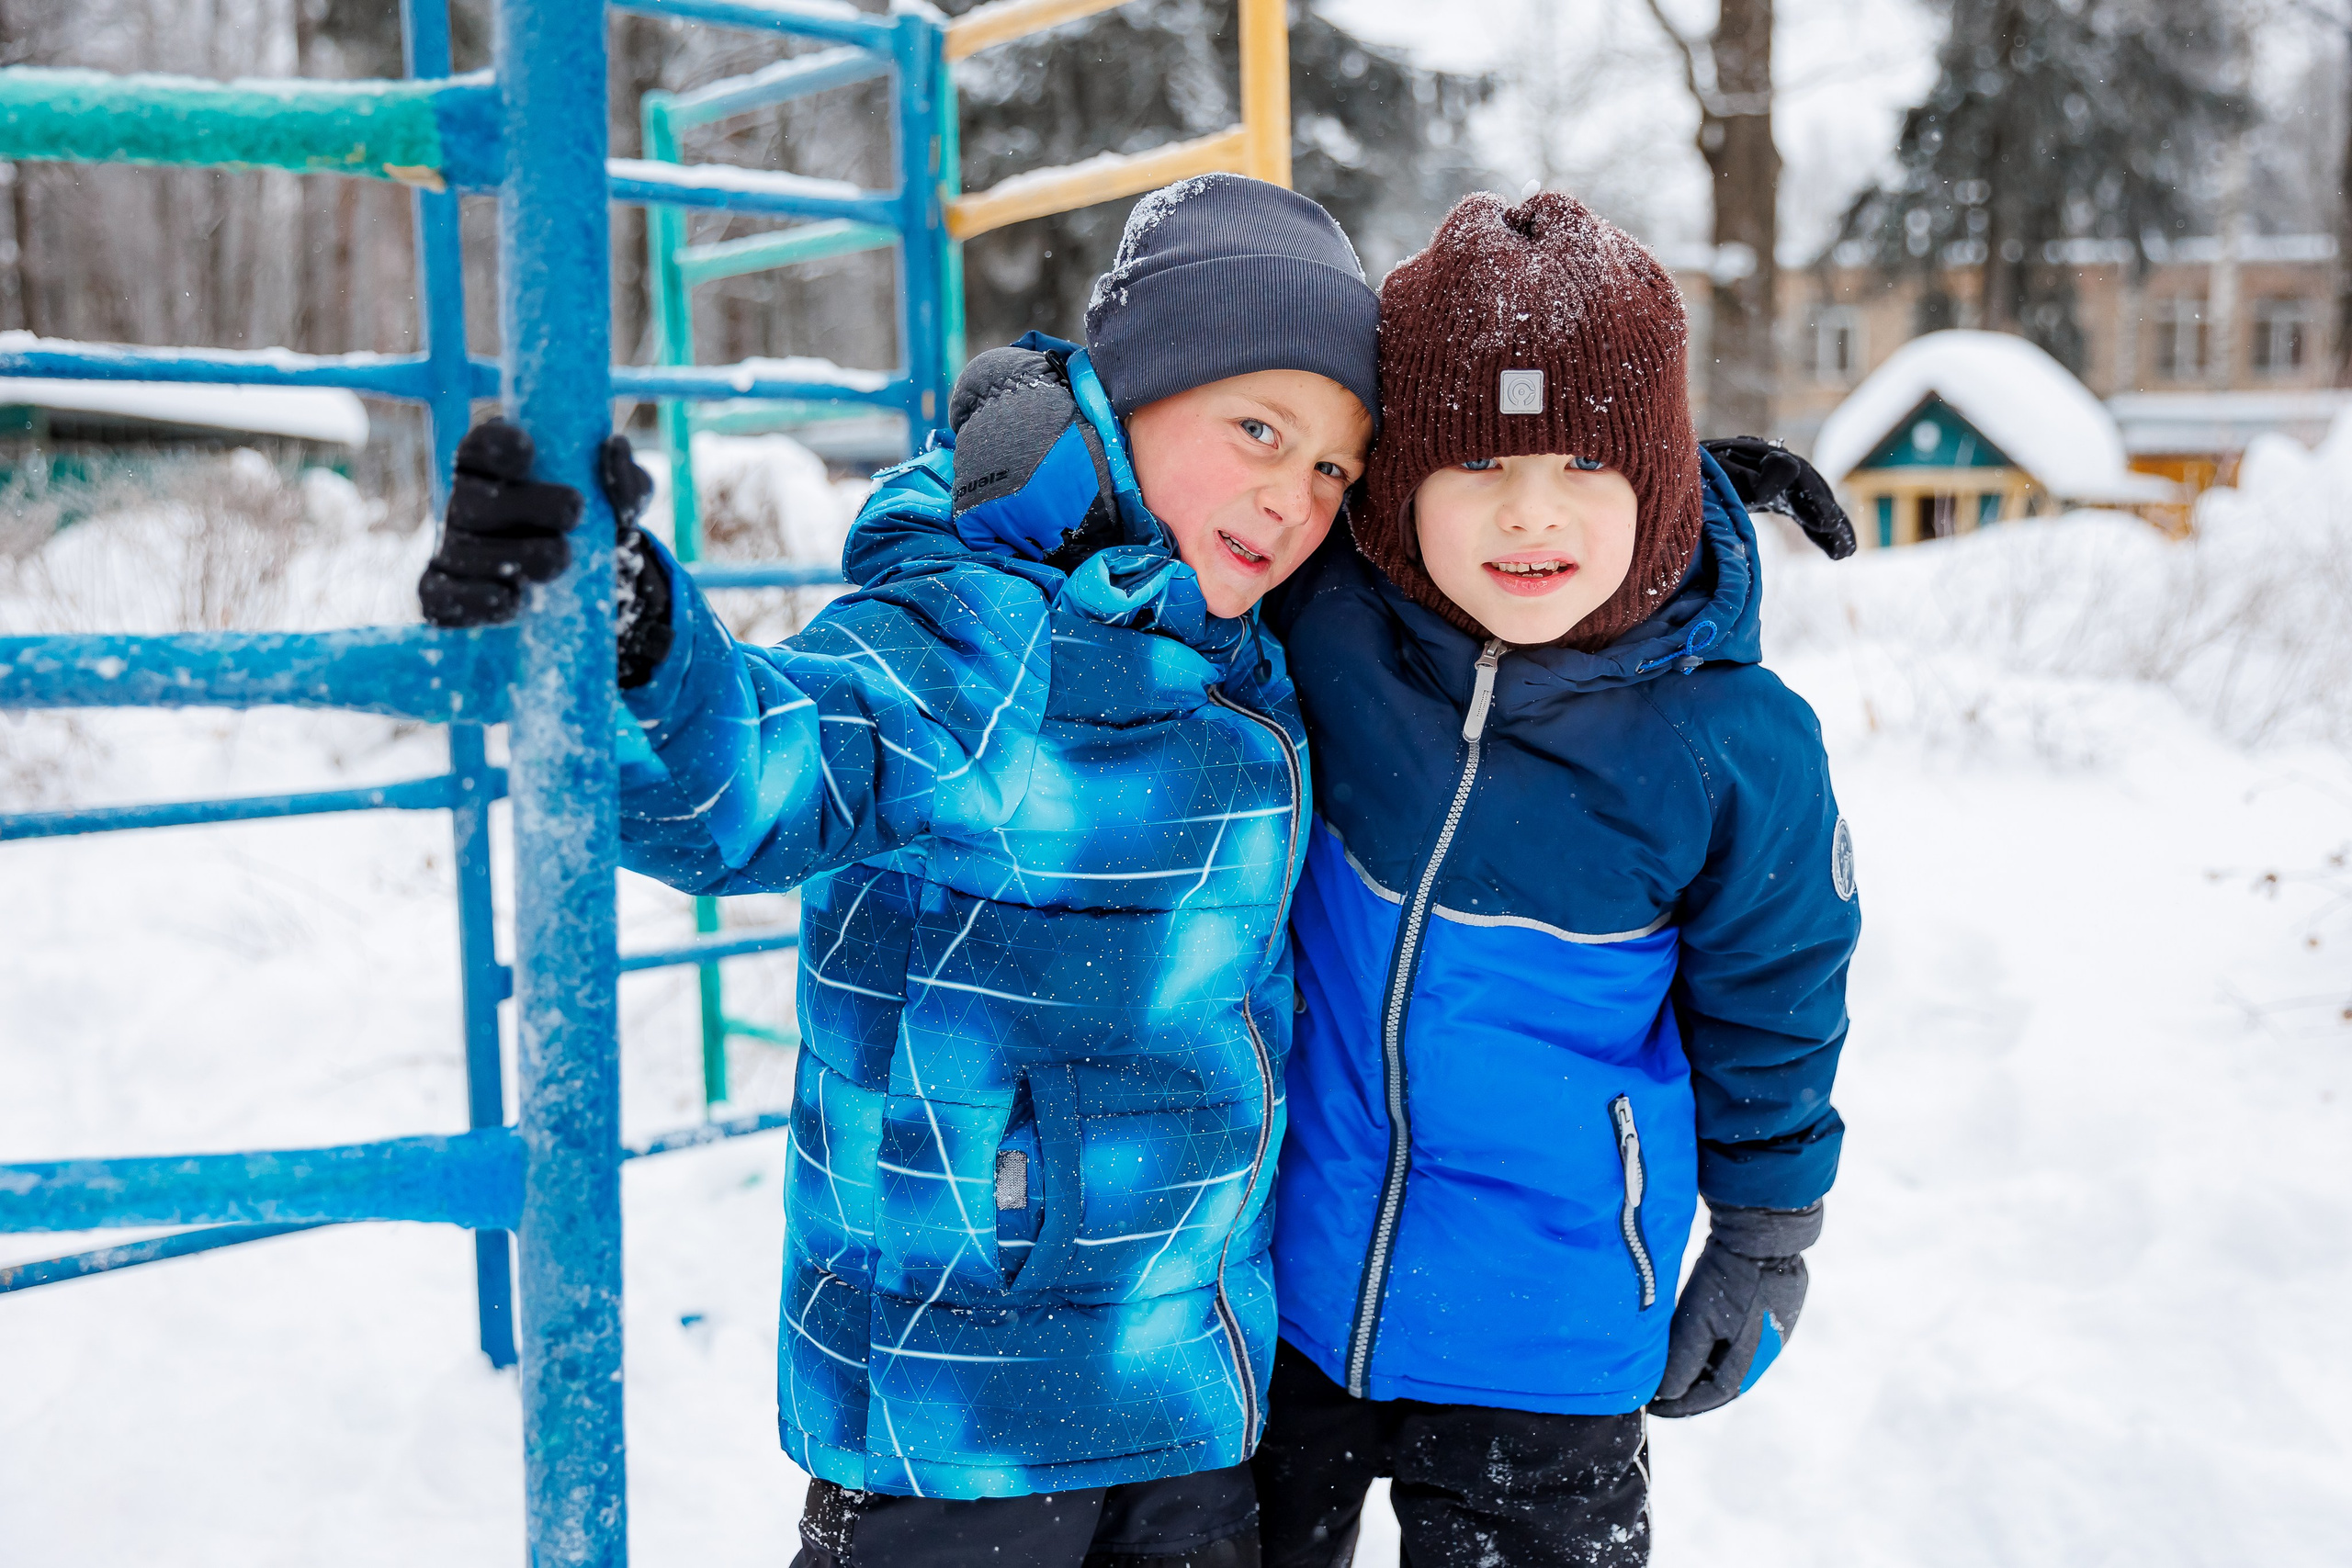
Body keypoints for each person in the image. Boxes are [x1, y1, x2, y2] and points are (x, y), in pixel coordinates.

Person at [417, 173, 1380, 1568]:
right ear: (1132, 398)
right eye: (1257, 430)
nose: (1291, 495)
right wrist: (619, 634)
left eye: (1329, 469)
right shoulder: (978, 634)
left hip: (1186, 1393)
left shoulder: (1252, 665)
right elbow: (754, 778)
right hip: (962, 1414)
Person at [1250, 190, 1861, 1567]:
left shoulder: (1730, 745)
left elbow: (1778, 998)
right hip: (1280, 1286)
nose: (1532, 517)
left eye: (1588, 463)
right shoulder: (1324, 620)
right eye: (1479, 467)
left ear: (1658, 474)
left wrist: (1766, 1232)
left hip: (1550, 1330)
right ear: (1400, 478)